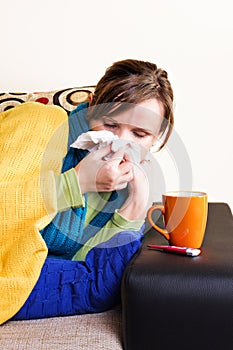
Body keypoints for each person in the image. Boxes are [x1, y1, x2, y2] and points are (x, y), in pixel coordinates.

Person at [0, 59, 174, 324]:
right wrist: (77, 182)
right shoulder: (40, 121)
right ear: (91, 106)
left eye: (139, 133)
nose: (120, 143)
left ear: (156, 136)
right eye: (110, 125)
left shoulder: (124, 185)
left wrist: (136, 202)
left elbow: (89, 265)